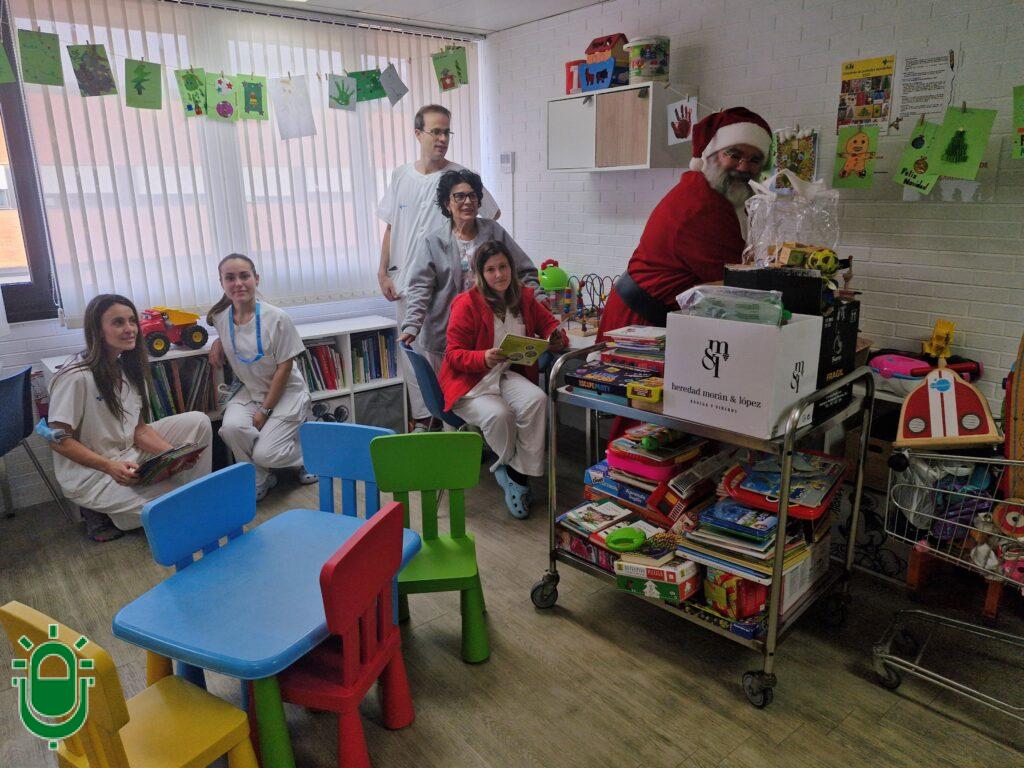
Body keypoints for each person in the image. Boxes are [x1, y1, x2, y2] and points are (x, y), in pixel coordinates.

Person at [47, 294, 213, 541]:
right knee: (177, 510)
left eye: (132, 321)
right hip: (95, 473)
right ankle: (117, 512)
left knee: (198, 421)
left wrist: (174, 456)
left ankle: (184, 494)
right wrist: (109, 466)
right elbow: (58, 441)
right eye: (118, 323)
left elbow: (139, 429)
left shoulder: (128, 368)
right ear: (98, 330)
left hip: (129, 454)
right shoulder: (75, 377)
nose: (130, 329)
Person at [598, 107, 772, 338]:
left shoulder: (715, 194)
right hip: (642, 329)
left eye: (755, 160)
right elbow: (738, 284)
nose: (743, 167)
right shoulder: (705, 205)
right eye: (734, 154)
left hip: (652, 321)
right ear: (711, 154)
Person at [378, 104, 500, 432]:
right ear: (418, 134)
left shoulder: (459, 177)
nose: (443, 138)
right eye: (436, 131)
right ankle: (424, 421)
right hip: (405, 283)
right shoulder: (401, 175)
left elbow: (490, 216)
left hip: (449, 286)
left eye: (447, 132)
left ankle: (458, 425)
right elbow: (391, 225)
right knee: (413, 355)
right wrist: (383, 271)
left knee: (449, 354)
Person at [439, 241, 567, 519]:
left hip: (503, 375)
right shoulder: (466, 304)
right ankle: (508, 468)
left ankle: (517, 474)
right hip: (470, 383)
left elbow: (549, 324)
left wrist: (555, 336)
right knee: (501, 415)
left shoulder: (524, 297)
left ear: (512, 267)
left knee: (538, 399)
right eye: (490, 269)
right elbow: (453, 355)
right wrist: (483, 357)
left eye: (503, 266)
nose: (499, 274)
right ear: (480, 274)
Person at [400, 168, 540, 381]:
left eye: (472, 195)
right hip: (445, 334)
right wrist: (412, 324)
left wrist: (541, 302)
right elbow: (420, 287)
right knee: (451, 394)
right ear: (447, 204)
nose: (467, 201)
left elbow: (524, 271)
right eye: (459, 196)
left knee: (490, 393)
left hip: (489, 334)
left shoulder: (493, 231)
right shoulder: (433, 241)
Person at [208, 254, 314, 501]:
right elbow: (231, 334)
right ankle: (261, 477)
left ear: (256, 279)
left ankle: (313, 455)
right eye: (230, 278)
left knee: (267, 454)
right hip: (251, 391)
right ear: (222, 283)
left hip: (286, 391)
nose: (238, 283)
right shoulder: (221, 318)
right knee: (231, 429)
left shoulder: (277, 318)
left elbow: (284, 369)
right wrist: (217, 343)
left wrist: (265, 411)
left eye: (244, 276)